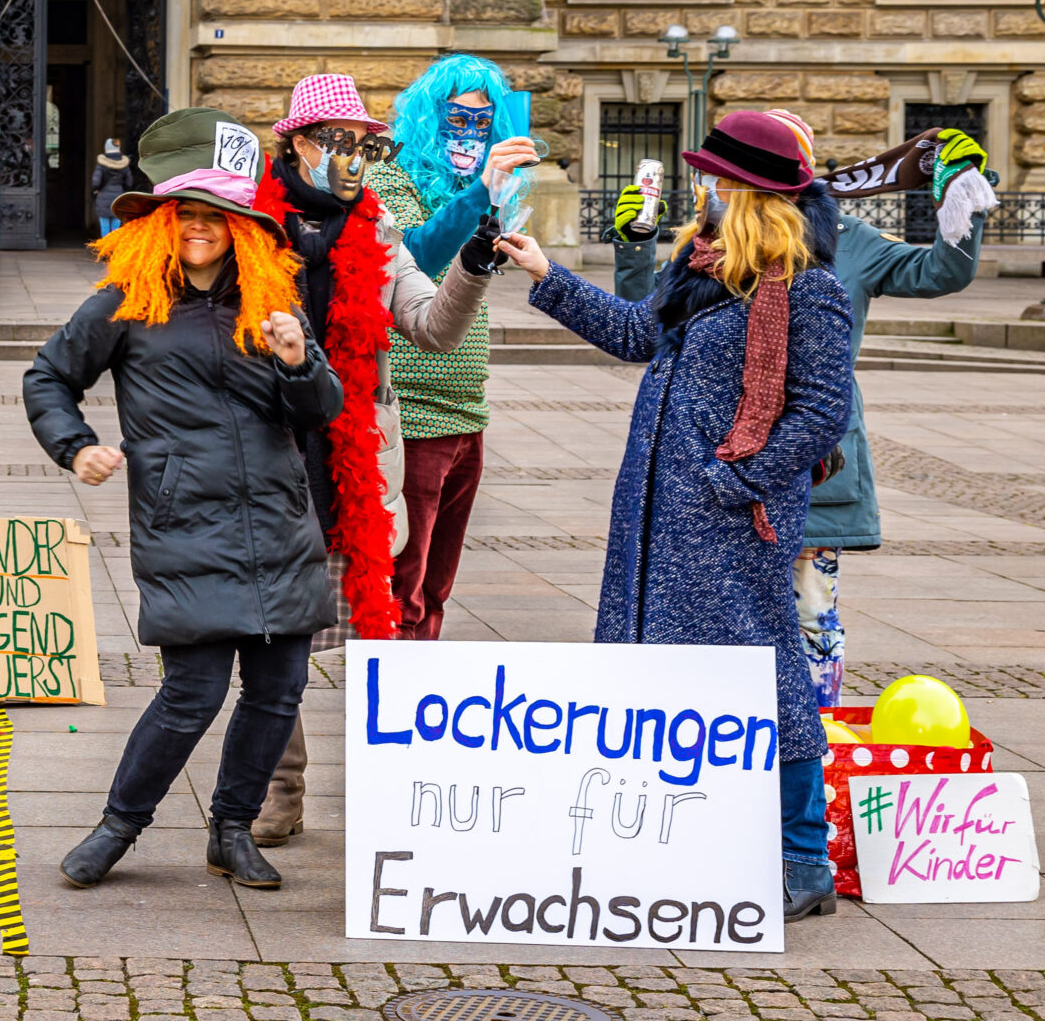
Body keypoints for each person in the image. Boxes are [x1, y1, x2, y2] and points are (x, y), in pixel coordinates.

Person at [495, 109, 856, 922]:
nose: (705, 191)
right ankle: (669, 832)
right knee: (651, 668)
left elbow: (821, 410)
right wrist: (547, 274)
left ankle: (803, 858)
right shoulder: (700, 270)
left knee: (766, 678)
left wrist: (736, 480)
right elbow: (634, 334)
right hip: (656, 515)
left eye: (717, 181)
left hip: (734, 522)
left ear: (751, 193)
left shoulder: (810, 291)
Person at [26, 151, 342, 893]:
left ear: (239, 230)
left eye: (214, 218)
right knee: (191, 692)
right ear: (166, 225)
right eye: (187, 216)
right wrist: (75, 448)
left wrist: (299, 360)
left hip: (277, 523)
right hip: (184, 522)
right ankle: (118, 825)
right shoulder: (126, 302)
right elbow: (47, 375)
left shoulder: (272, 300)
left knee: (278, 688)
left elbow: (319, 411)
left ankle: (231, 831)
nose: (200, 228)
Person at [608, 119, 994, 703]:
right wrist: (636, 242)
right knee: (716, 621)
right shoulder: (715, 241)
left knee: (810, 617)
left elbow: (942, 272)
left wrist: (962, 190)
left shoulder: (848, 238)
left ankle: (811, 750)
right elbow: (650, 323)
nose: (715, 186)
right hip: (723, 467)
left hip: (810, 466)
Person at [245, 78, 495, 848]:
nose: (355, 158)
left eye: (367, 145)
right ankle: (278, 788)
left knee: (371, 633)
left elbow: (431, 326)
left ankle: (387, 788)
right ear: (296, 145)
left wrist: (473, 263)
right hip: (263, 456)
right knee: (267, 636)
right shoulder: (250, 228)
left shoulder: (378, 232)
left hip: (348, 460)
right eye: (340, 141)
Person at [371, 55, 545, 641]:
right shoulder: (388, 176)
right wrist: (478, 195)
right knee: (405, 582)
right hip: (413, 409)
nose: (469, 131)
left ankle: (421, 698)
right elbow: (412, 254)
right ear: (426, 114)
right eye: (457, 116)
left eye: (483, 119)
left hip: (466, 407)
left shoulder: (485, 193)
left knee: (438, 583)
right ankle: (393, 710)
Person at [91, 138, 135, 235]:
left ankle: (106, 248)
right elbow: (129, 183)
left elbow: (95, 182)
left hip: (103, 197)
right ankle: (114, 248)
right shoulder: (124, 165)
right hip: (118, 198)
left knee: (105, 227)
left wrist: (95, 190)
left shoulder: (101, 165)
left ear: (106, 148)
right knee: (116, 227)